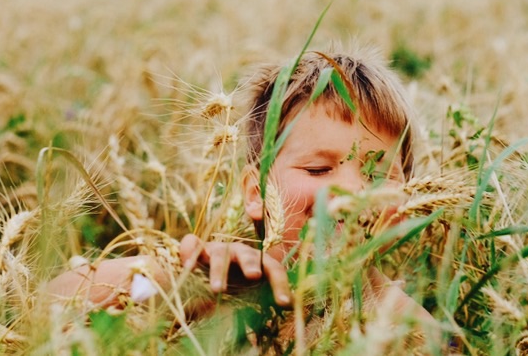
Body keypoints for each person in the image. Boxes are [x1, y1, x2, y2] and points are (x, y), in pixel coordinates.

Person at [46, 47, 436, 344]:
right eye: (318, 169)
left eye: (380, 173)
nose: (353, 191)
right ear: (256, 193)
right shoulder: (220, 282)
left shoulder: (412, 329)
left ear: (412, 196)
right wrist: (185, 286)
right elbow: (57, 298)